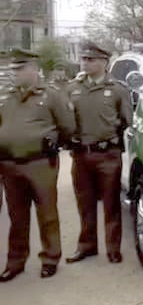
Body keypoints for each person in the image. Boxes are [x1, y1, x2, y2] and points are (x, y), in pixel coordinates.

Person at [0, 49, 76, 282]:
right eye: (14, 70)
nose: (16, 74)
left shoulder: (51, 95)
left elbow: (68, 126)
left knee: (47, 213)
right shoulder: (6, 96)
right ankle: (16, 262)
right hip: (10, 165)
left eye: (20, 69)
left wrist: (53, 145)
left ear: (34, 70)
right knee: (17, 216)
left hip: (40, 163)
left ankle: (50, 258)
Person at [66, 42, 133, 265]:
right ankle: (87, 246)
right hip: (81, 155)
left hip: (108, 155)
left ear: (104, 62)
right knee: (84, 204)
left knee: (111, 203)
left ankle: (113, 248)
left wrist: (114, 143)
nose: (85, 63)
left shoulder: (117, 89)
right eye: (84, 59)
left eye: (90, 59)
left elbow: (127, 121)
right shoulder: (72, 88)